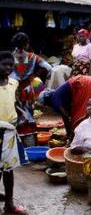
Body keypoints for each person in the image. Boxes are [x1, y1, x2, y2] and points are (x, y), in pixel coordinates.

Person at [0, 51, 27, 215]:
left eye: (11, 65)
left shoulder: (13, 83)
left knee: (9, 170)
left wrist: (22, 115)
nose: (8, 68)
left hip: (10, 131)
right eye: (4, 64)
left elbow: (13, 103)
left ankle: (9, 204)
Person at [10, 32, 51, 112]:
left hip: (13, 87)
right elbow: (48, 67)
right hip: (28, 87)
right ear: (26, 44)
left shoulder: (10, 56)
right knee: (37, 82)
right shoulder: (33, 56)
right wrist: (37, 74)